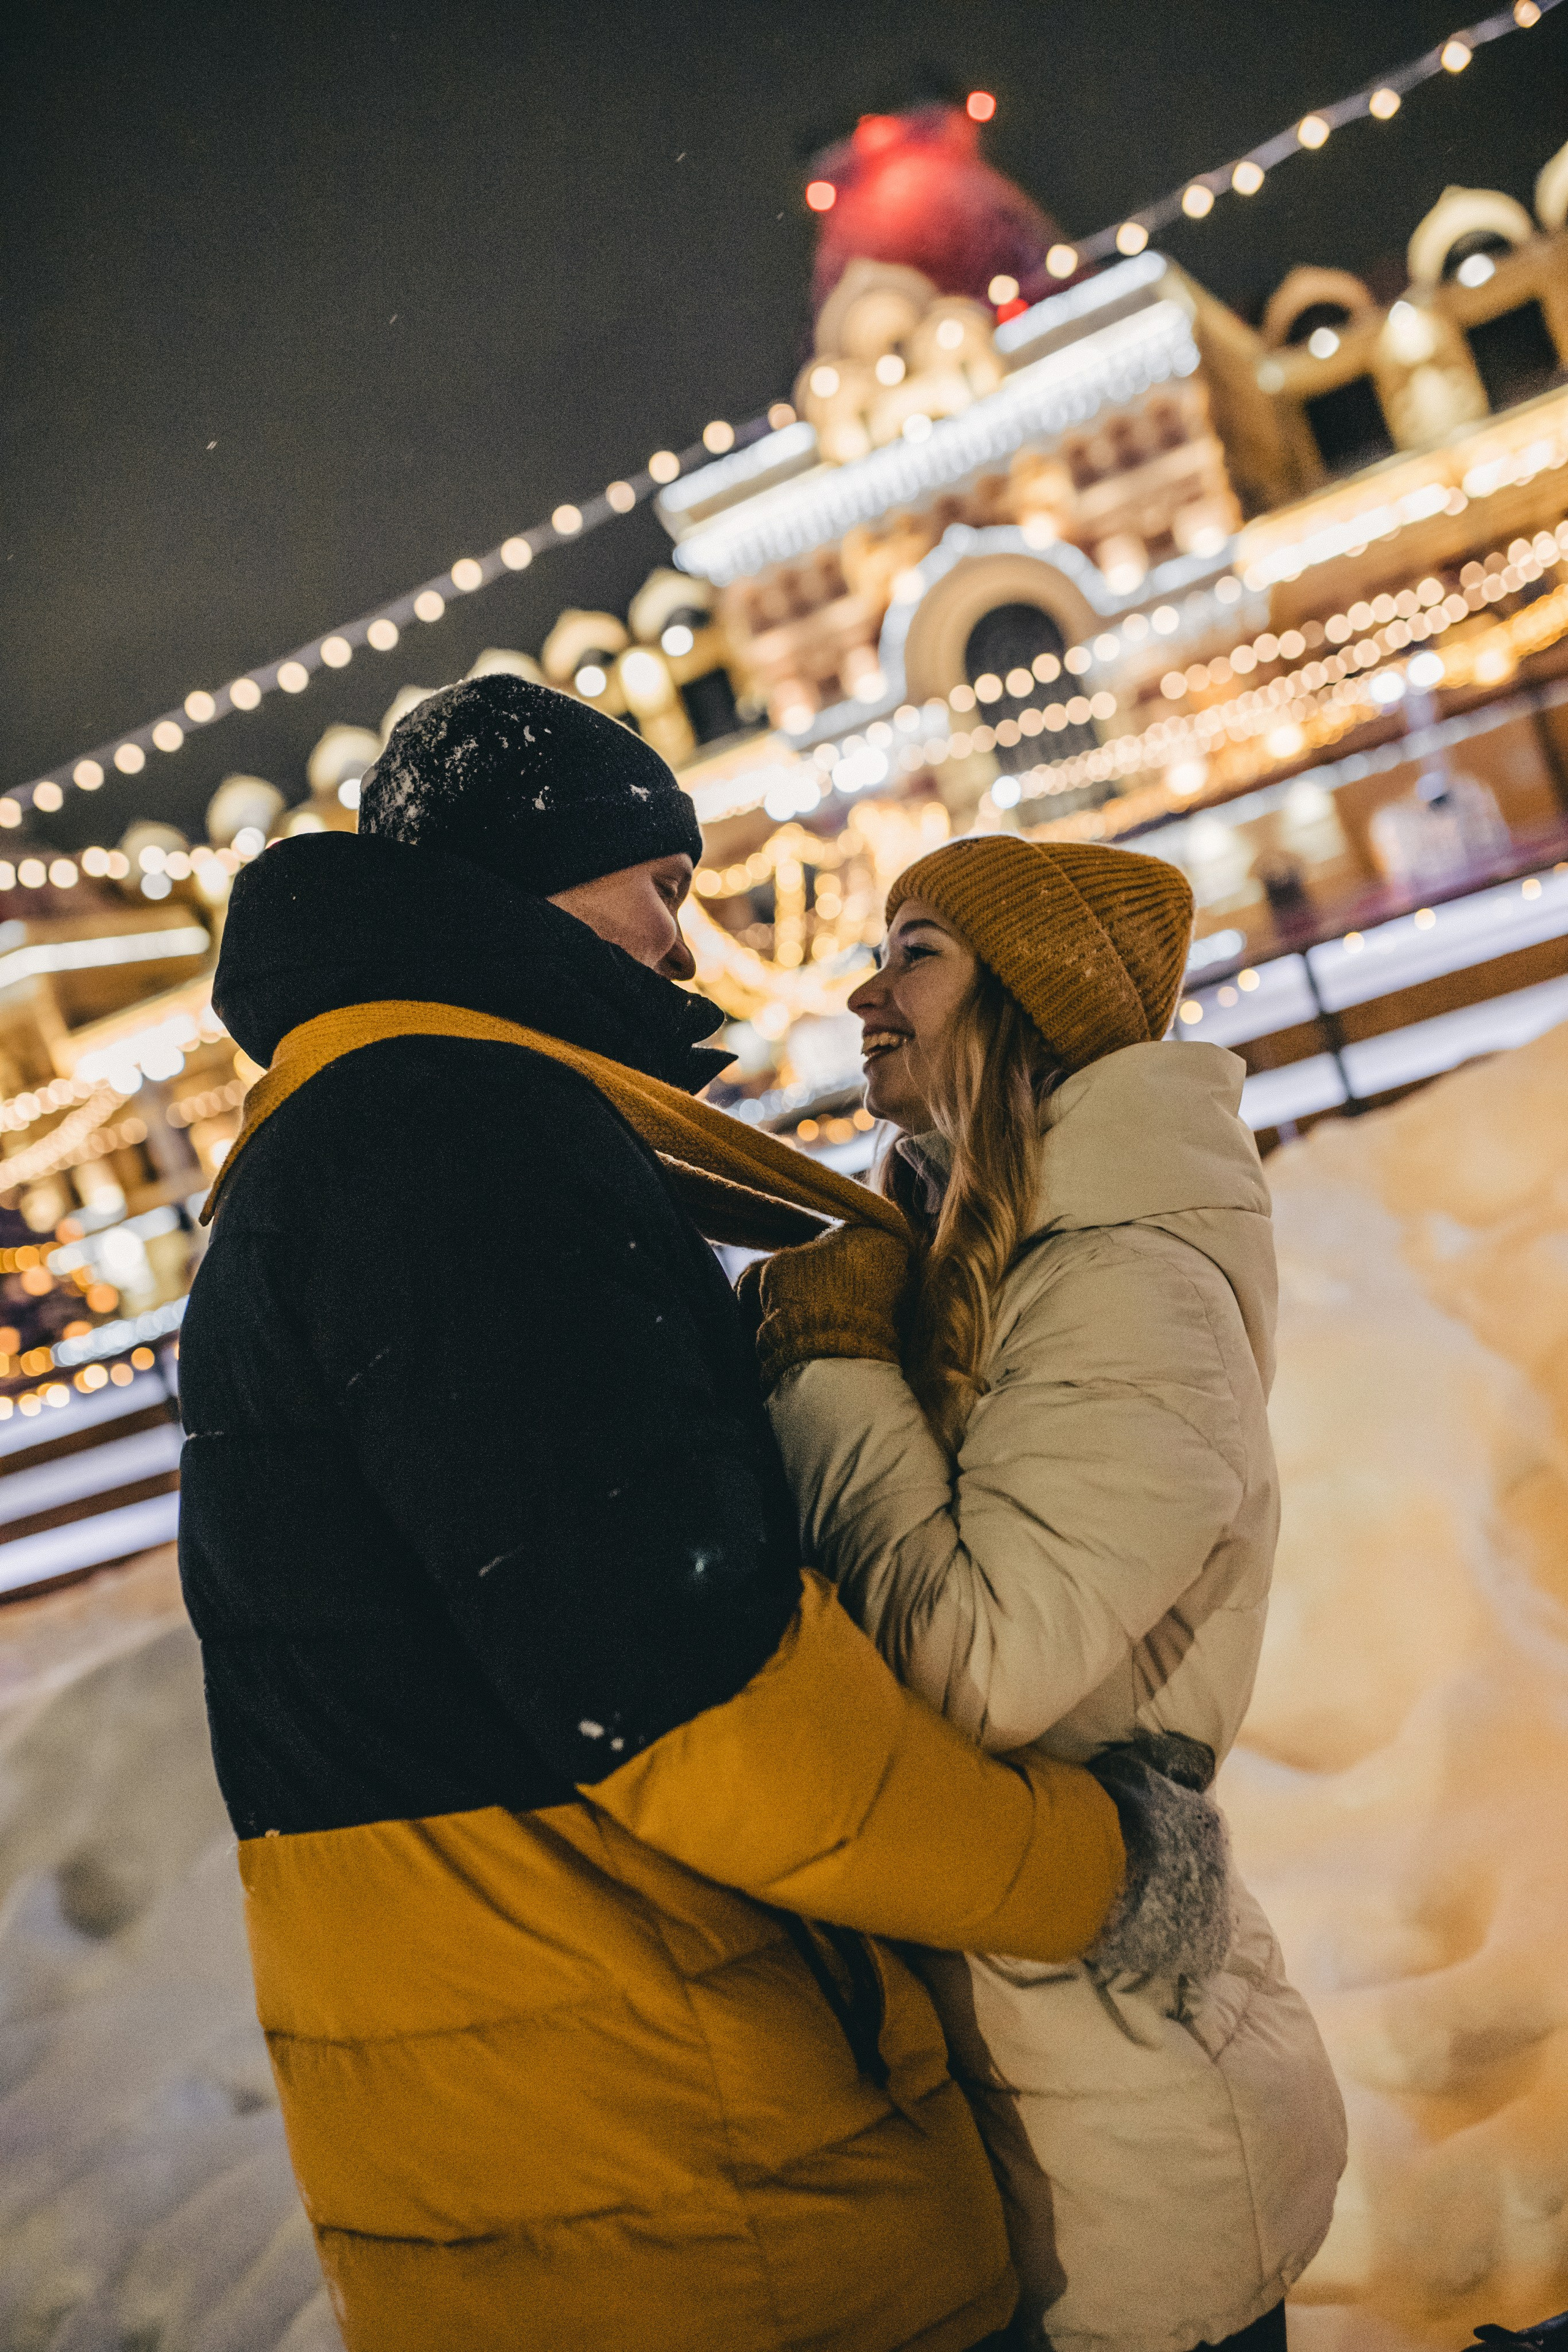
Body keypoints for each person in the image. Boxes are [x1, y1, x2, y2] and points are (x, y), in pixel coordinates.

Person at [176, 677, 1213, 2352]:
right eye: (660, 886)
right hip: (697, 2187)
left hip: (540, 2131)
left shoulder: (342, 1131)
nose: (678, 949)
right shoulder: (459, 1140)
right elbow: (700, 1705)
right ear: (534, 870)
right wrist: (1099, 1870)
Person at [751, 834, 1349, 2352]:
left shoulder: (1122, 1280)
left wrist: (826, 1366)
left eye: (916, 954)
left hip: (1126, 2145)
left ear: (1024, 998)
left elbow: (980, 1662)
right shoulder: (978, 1254)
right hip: (1037, 2066)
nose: (864, 992)